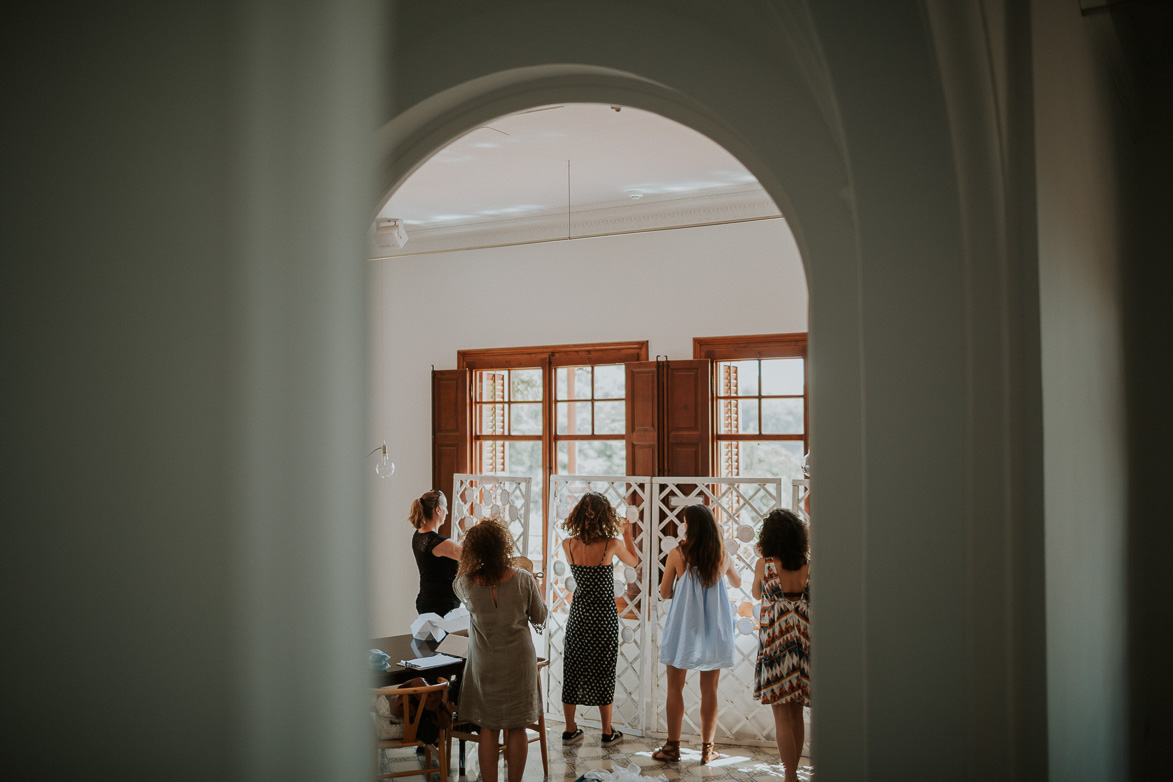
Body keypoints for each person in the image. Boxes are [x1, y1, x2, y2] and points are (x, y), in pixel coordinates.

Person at [453, 520, 547, 782]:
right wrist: (538, 589)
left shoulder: (465, 583)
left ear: (473, 551)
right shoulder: (525, 579)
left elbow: (463, 584)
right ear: (503, 545)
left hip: (485, 664)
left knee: (488, 728)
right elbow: (539, 617)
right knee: (517, 728)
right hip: (519, 662)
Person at [653, 503, 742, 764]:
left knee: (674, 687)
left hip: (684, 627)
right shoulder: (721, 554)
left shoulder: (677, 553)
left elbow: (664, 592)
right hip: (713, 628)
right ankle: (707, 749)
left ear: (690, 526)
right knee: (710, 690)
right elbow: (737, 582)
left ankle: (672, 747)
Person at [558, 492, 640, 747]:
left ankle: (570, 729)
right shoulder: (611, 544)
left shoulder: (567, 544)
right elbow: (634, 562)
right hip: (603, 616)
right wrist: (627, 534)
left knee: (572, 669)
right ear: (605, 516)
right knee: (604, 669)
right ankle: (607, 732)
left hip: (579, 614)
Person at [752, 508, 810, 782]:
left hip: (776, 641)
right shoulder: (809, 565)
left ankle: (790, 776)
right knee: (796, 712)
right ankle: (795, 772)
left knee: (781, 715)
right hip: (804, 642)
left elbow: (755, 592)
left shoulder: (766, 564)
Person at [409, 490, 461, 616]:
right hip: (442, 606)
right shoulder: (438, 543)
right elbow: (472, 556)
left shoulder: (418, 535)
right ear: (438, 510)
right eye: (446, 508)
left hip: (426, 600)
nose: (447, 512)